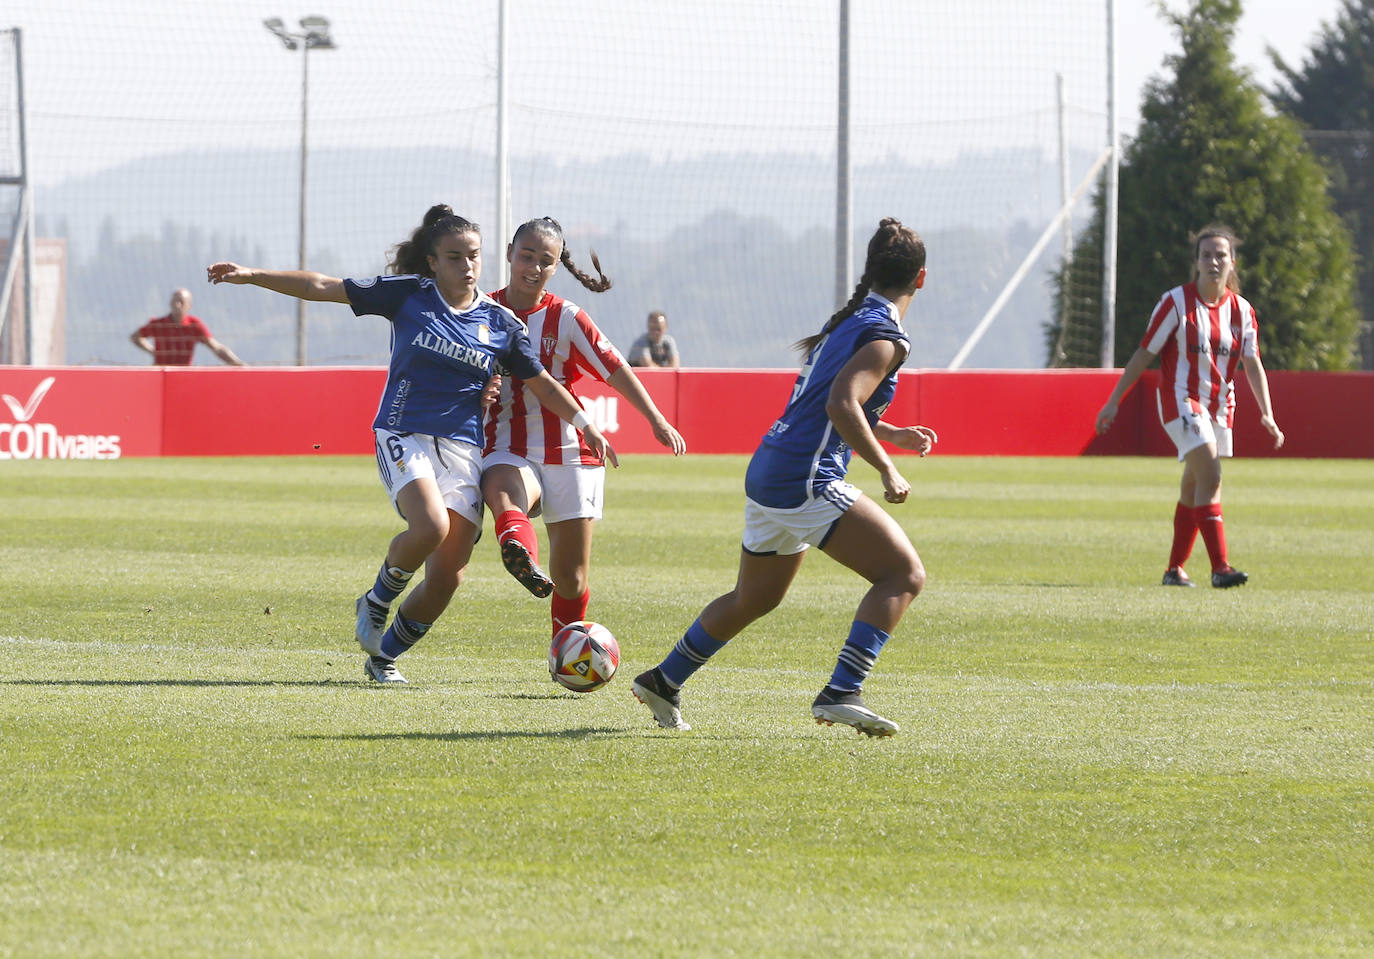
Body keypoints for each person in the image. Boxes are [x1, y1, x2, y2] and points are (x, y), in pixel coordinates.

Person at [206, 204, 615, 684]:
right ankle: (376, 600)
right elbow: (322, 287)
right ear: (432, 262)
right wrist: (253, 275)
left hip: (464, 447)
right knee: (430, 527)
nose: (467, 266)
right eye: (454, 257)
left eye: (474, 256)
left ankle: (384, 657)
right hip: (403, 431)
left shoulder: (501, 323)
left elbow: (543, 383)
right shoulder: (408, 296)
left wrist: (583, 422)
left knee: (448, 576)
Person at [631, 217, 937, 736]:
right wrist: (887, 467)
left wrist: (893, 434)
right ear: (921, 279)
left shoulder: (850, 320)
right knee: (903, 575)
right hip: (803, 477)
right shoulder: (887, 337)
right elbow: (842, 405)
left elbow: (834, 403)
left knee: (756, 597)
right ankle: (842, 691)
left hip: (771, 467)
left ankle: (664, 679)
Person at [482, 217, 686, 641]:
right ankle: (520, 552)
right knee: (504, 489)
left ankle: (565, 652)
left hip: (571, 449)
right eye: (526, 256)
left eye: (545, 260)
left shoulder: (567, 317)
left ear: (556, 267)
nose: (534, 267)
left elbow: (615, 368)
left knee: (571, 579)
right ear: (509, 254)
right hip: (506, 442)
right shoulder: (480, 312)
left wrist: (657, 420)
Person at [1095, 223, 1284, 589]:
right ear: (1196, 262)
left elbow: (1252, 363)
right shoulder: (1175, 302)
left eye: (1221, 255)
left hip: (1218, 406)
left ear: (1233, 262)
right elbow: (1143, 355)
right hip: (1180, 400)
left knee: (1193, 485)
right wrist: (1113, 401)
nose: (1213, 261)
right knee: (1211, 475)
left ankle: (1174, 570)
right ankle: (1221, 568)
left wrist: (1267, 413)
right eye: (1206, 255)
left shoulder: (1242, 311)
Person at [131, 288, 245, 366]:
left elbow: (216, 347)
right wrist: (152, 351)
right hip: (160, 372)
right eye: (175, 301)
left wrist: (239, 364)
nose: (177, 305)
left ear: (188, 306)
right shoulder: (158, 324)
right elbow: (135, 337)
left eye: (181, 302)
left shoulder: (194, 325)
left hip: (183, 373)